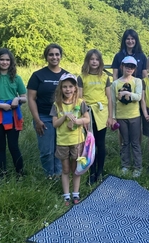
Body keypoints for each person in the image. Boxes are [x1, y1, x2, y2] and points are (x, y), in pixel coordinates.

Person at [27, 44, 68, 179]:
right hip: (43, 117)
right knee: (46, 151)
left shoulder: (66, 75)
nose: (54, 57)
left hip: (62, 117)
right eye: (51, 54)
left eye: (57, 54)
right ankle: (48, 176)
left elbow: (73, 97)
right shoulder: (38, 75)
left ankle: (59, 175)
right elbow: (31, 99)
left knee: (60, 148)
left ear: (61, 56)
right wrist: (37, 120)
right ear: (46, 57)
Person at [0, 48, 26, 179]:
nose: (4, 62)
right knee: (0, 146)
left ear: (11, 62)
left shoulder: (17, 78)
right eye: (2, 59)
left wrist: (17, 99)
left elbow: (25, 97)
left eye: (7, 60)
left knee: (14, 146)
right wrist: (2, 105)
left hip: (13, 116)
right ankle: (3, 173)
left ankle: (20, 172)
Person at [51, 73, 90, 206]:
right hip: (62, 142)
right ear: (60, 88)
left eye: (70, 87)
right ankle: (66, 195)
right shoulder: (57, 105)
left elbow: (87, 118)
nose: (68, 89)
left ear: (75, 88)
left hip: (77, 141)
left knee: (76, 169)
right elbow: (55, 124)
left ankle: (76, 193)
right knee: (65, 169)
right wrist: (65, 116)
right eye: (65, 87)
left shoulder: (80, 102)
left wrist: (77, 120)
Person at [77, 49, 113, 185]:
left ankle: (100, 171)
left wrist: (111, 116)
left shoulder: (105, 77)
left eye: (97, 59)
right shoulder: (81, 77)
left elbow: (109, 98)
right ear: (87, 61)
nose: (94, 62)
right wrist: (82, 117)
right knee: (90, 144)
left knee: (101, 143)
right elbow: (79, 99)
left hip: (102, 113)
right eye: (91, 59)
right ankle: (91, 172)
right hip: (88, 113)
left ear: (100, 62)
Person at [111, 56, 143, 177]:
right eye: (127, 66)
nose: (129, 69)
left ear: (135, 69)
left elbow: (138, 97)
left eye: (132, 67)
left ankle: (138, 167)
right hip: (121, 116)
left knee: (135, 142)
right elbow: (113, 101)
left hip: (134, 116)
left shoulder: (137, 81)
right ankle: (125, 165)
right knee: (125, 142)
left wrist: (127, 93)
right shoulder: (115, 83)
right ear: (122, 66)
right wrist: (113, 117)